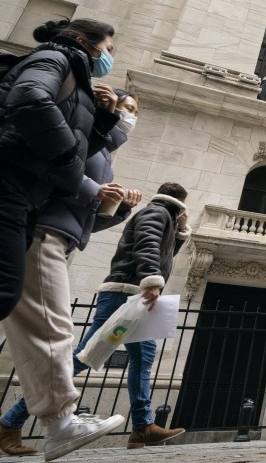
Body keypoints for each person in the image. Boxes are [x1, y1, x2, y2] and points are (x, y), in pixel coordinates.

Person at [0, 18, 126, 460]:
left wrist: (105, 120)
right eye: (106, 48)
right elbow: (29, 99)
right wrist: (69, 163)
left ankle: (60, 422)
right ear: (85, 43)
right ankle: (60, 421)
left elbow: (74, 143)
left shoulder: (76, 82)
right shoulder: (56, 58)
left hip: (19, 193)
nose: (108, 59)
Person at [71, 183, 192, 449]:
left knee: (142, 358)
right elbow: (148, 242)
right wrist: (151, 279)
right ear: (181, 202)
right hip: (126, 294)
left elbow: (164, 253)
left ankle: (142, 428)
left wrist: (181, 231)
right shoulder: (157, 213)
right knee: (87, 354)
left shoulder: (163, 217)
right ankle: (11, 421)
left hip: (137, 297)